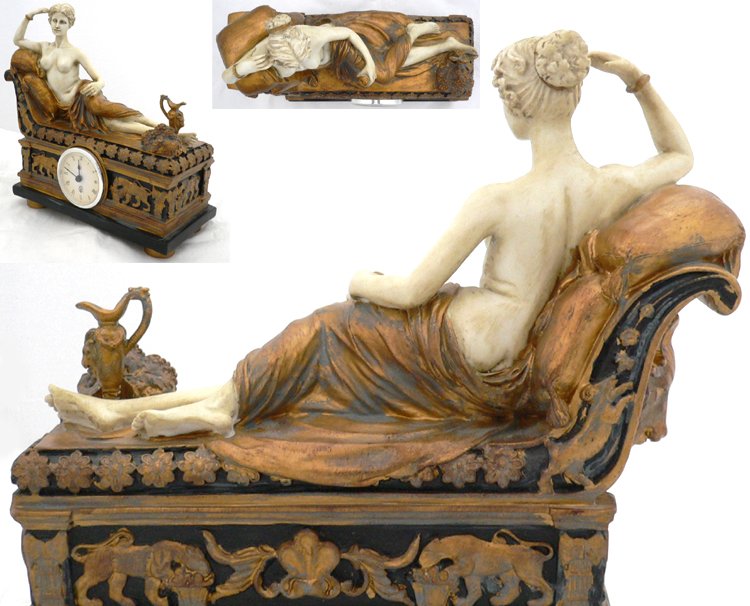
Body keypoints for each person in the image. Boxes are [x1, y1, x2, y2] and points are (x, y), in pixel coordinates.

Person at [47, 31, 693, 484]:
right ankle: (146, 409)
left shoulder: (499, 200)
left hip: (457, 349)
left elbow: (411, 292)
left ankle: (201, 407)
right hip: (502, 358)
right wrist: (636, 81)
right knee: (319, 349)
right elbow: (679, 156)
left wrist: (363, 279)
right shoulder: (605, 187)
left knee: (329, 328)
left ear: (516, 106)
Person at [220, 11, 476, 87]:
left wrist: (368, 64)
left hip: (342, 48)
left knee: (383, 74)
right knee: (394, 65)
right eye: (293, 65)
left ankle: (413, 33)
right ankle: (444, 45)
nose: (298, 66)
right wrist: (241, 68)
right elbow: (227, 78)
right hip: (335, 64)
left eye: (300, 60)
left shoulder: (312, 36)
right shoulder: (268, 51)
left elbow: (348, 34)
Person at [12, 4, 159, 135]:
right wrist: (29, 16)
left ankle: (155, 125)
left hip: (81, 95)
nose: (57, 25)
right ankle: (155, 132)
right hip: (65, 108)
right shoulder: (44, 47)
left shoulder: (76, 53)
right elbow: (17, 40)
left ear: (70, 24)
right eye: (54, 21)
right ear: (50, 21)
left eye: (62, 22)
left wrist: (97, 85)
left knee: (106, 112)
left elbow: (99, 79)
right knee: (111, 124)